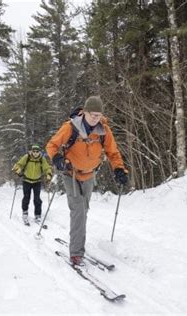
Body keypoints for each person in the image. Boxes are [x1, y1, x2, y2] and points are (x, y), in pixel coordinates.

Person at [46, 96, 128, 265]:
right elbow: (51, 146)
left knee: (84, 209)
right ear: (85, 112)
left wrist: (119, 169)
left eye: (98, 115)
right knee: (78, 211)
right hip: (71, 174)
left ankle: (78, 240)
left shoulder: (103, 131)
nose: (95, 118)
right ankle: (76, 253)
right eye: (92, 115)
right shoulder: (70, 128)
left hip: (90, 175)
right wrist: (57, 159)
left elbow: (113, 153)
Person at [12, 144, 52, 225]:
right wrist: (18, 169)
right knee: (26, 197)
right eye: (34, 151)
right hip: (27, 180)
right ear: (31, 151)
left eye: (37, 151)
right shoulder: (27, 157)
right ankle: (25, 212)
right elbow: (18, 164)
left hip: (37, 181)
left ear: (39, 152)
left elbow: (46, 168)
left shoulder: (42, 159)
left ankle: (37, 215)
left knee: (37, 199)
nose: (35, 153)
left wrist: (48, 174)